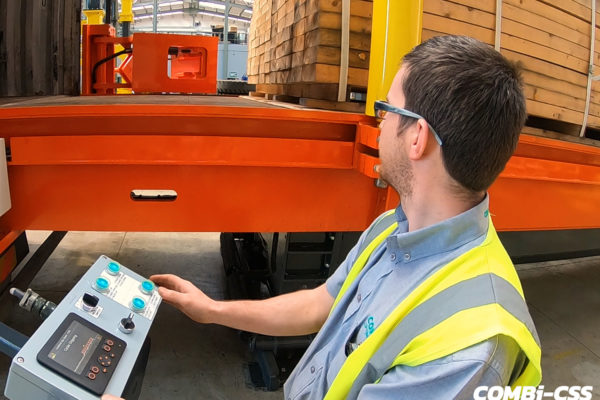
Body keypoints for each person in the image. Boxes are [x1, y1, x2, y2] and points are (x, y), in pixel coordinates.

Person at [102, 35, 541, 400]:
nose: (380, 123)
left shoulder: (466, 349)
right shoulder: (396, 227)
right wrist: (213, 310)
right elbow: (322, 303)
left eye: (387, 110)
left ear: (417, 139)